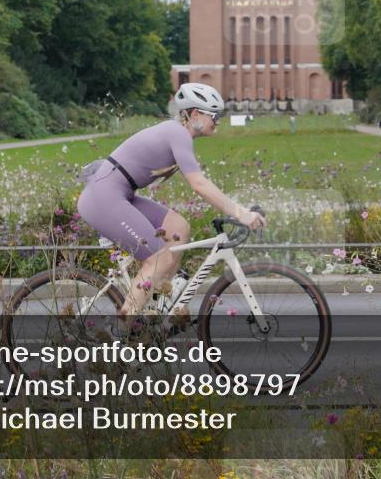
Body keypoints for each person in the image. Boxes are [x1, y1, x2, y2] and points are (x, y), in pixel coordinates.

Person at [76, 82, 266, 318]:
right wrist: (241, 213)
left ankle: (163, 303)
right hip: (103, 196)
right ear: (195, 114)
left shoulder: (178, 133)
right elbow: (199, 184)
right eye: (215, 116)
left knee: (179, 227)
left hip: (118, 192)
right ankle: (125, 327)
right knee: (157, 258)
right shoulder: (178, 133)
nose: (218, 121)